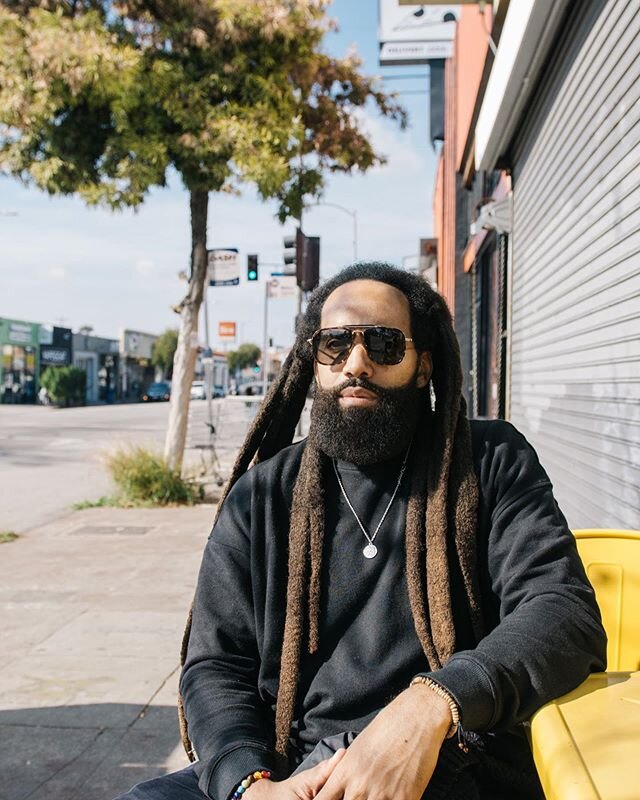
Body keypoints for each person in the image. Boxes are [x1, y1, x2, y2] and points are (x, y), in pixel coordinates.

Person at [116, 263, 606, 800]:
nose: (357, 362)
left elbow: (562, 610)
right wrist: (250, 785)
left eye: (384, 343)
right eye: (334, 344)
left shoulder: (487, 462)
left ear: (422, 366)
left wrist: (433, 704)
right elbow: (216, 664)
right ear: (314, 361)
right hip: (290, 765)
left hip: (451, 752)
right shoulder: (261, 496)